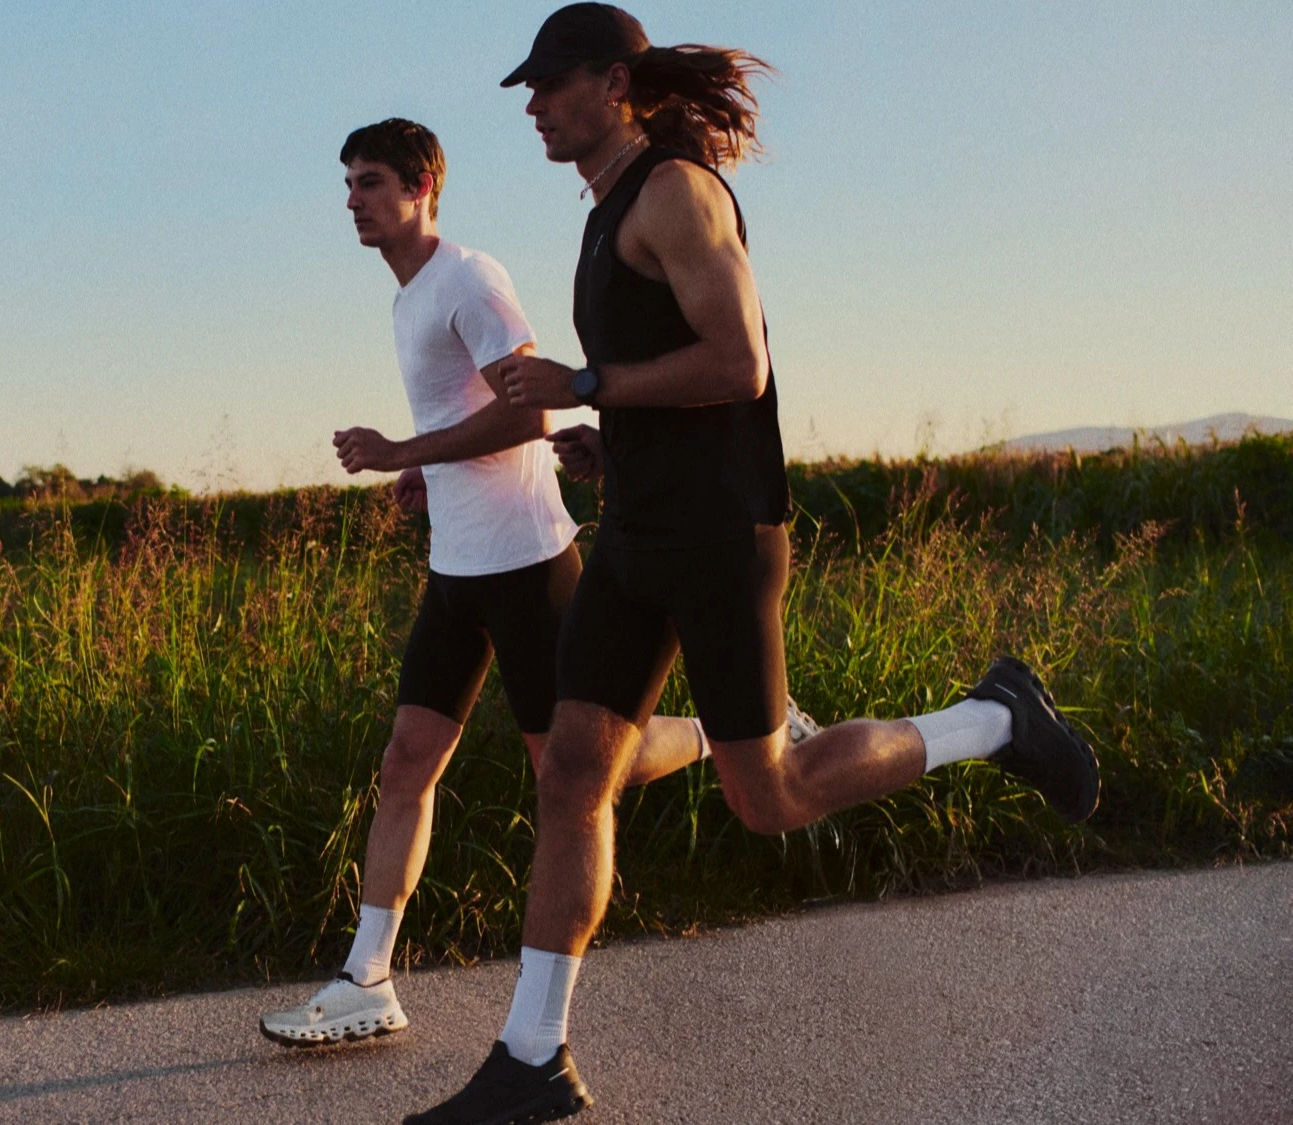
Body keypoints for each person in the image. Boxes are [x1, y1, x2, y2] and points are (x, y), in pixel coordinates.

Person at [404, 7, 1102, 1122]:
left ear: (613, 81)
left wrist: (585, 387)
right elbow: (661, 378)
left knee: (766, 797)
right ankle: (532, 1057)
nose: (530, 105)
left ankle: (991, 720)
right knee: (572, 769)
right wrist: (605, 439)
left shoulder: (675, 191)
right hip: (635, 532)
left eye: (546, 84)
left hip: (720, 540)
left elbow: (736, 361)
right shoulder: (601, 211)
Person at [259, 118, 816, 1049]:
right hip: (457, 571)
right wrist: (424, 471)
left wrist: (405, 449)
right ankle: (368, 976)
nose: (352, 201)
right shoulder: (407, 299)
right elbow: (466, 415)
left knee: (590, 769)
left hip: (523, 564)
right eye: (348, 183)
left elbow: (533, 413)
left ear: (423, 184)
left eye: (370, 182)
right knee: (407, 762)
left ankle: (749, 728)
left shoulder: (468, 279)